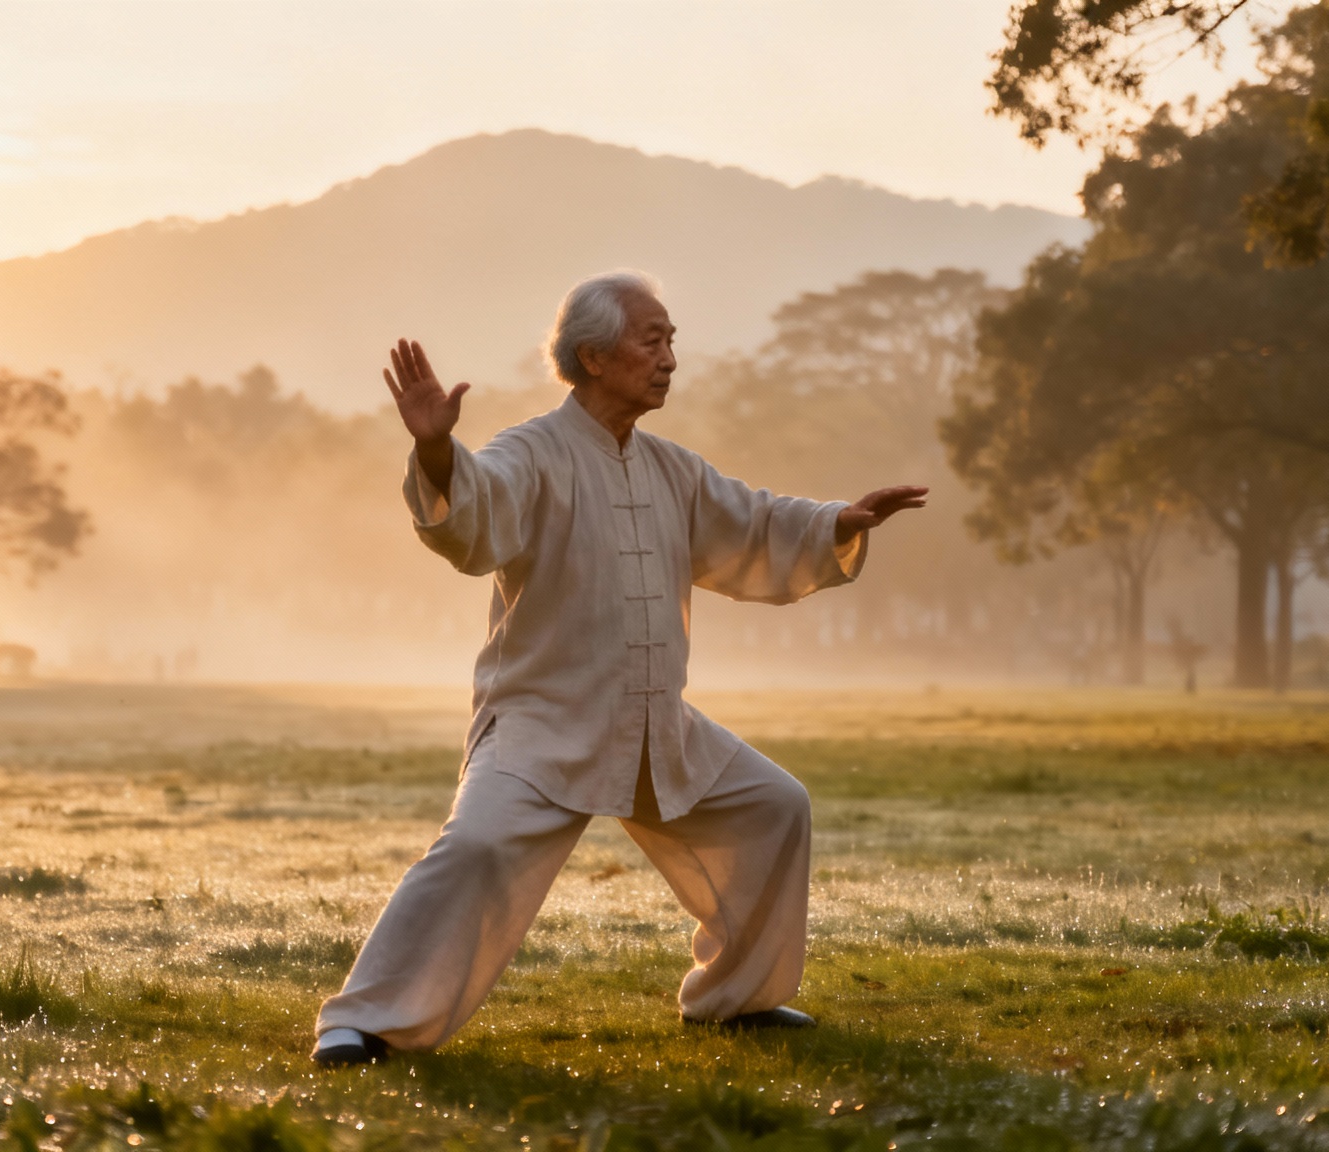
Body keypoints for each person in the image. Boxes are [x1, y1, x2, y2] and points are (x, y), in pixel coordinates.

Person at [312, 270, 927, 1067]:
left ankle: (735, 1001)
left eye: (672, 340)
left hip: (654, 723)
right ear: (595, 356)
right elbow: (475, 518)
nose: (670, 356)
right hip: (543, 720)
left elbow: (749, 521)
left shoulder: (670, 467)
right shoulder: (532, 452)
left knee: (774, 807)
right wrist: (435, 449)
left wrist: (836, 521)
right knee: (475, 849)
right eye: (653, 339)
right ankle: (362, 1023)